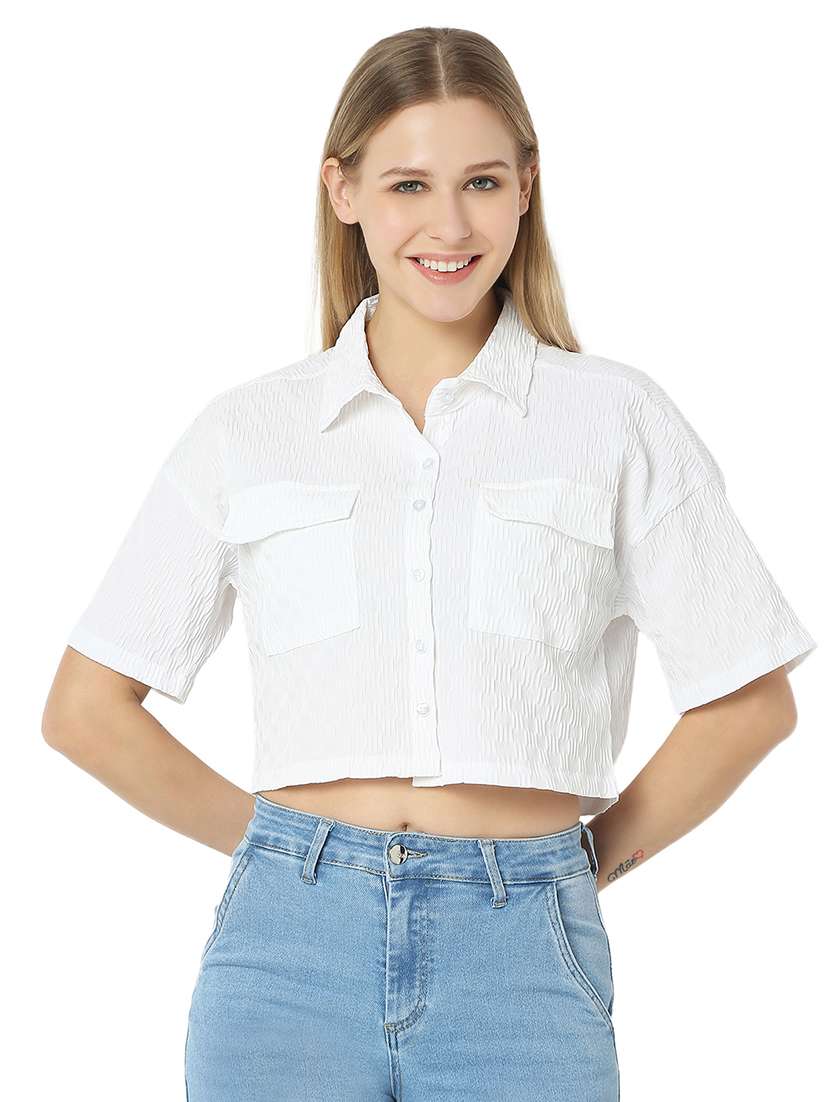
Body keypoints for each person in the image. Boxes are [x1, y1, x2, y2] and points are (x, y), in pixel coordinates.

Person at [42, 25, 817, 1102]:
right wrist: (287, 855)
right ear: (343, 190)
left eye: (481, 182)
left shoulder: (613, 419)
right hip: (284, 961)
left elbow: (750, 699)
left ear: (526, 189)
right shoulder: (248, 432)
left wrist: (572, 867)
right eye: (408, 184)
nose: (448, 225)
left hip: (521, 957)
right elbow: (85, 708)